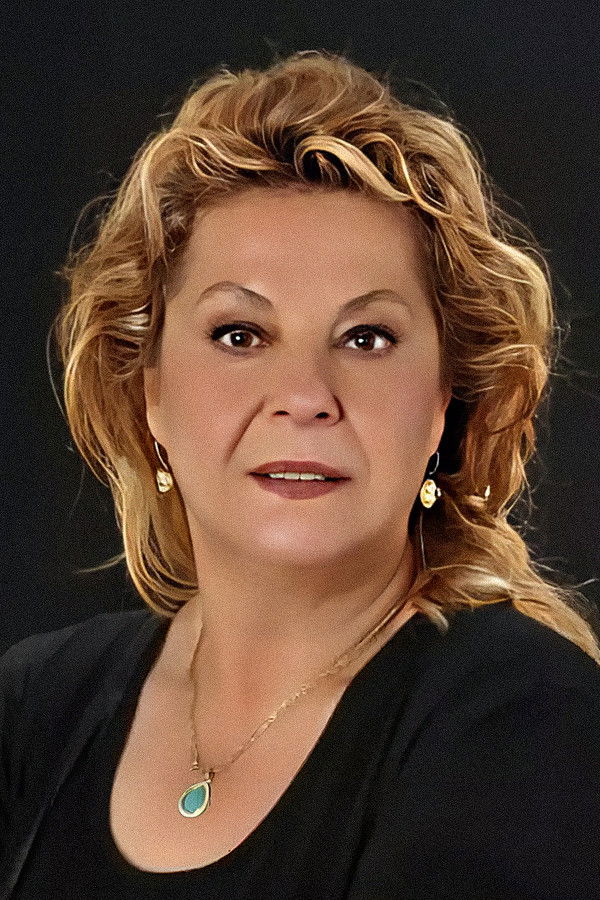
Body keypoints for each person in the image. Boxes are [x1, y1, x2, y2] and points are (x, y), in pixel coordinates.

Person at [1, 48, 600, 899]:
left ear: (444, 402)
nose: (306, 397)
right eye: (240, 335)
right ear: (150, 393)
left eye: (367, 338)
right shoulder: (35, 708)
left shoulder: (529, 720)